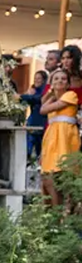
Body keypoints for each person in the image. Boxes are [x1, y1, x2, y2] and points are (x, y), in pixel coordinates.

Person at [39, 68, 80, 206]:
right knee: (48, 178)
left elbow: (43, 109)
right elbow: (42, 102)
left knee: (65, 176)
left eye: (63, 79)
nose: (59, 81)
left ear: (68, 84)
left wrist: (51, 92)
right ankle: (53, 216)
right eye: (56, 79)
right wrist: (51, 91)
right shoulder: (52, 99)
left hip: (65, 139)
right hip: (51, 139)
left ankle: (68, 213)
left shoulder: (71, 95)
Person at [21, 70, 49, 159]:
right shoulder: (33, 90)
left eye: (39, 78)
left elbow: (37, 99)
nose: (36, 80)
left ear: (44, 80)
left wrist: (21, 96)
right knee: (29, 147)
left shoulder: (45, 91)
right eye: (35, 78)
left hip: (42, 121)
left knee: (40, 149)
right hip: (33, 122)